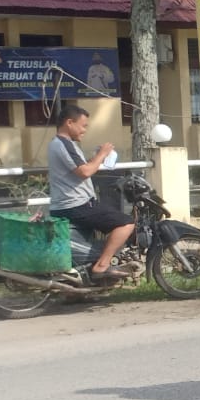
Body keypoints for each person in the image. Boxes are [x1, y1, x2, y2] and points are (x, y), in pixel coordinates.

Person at [46, 103, 133, 282]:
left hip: (73, 204)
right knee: (126, 223)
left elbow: (81, 169)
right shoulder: (63, 144)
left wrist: (95, 158)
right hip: (75, 205)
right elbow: (85, 172)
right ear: (70, 122)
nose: (84, 131)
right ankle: (102, 266)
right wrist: (102, 154)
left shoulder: (65, 144)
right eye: (83, 126)